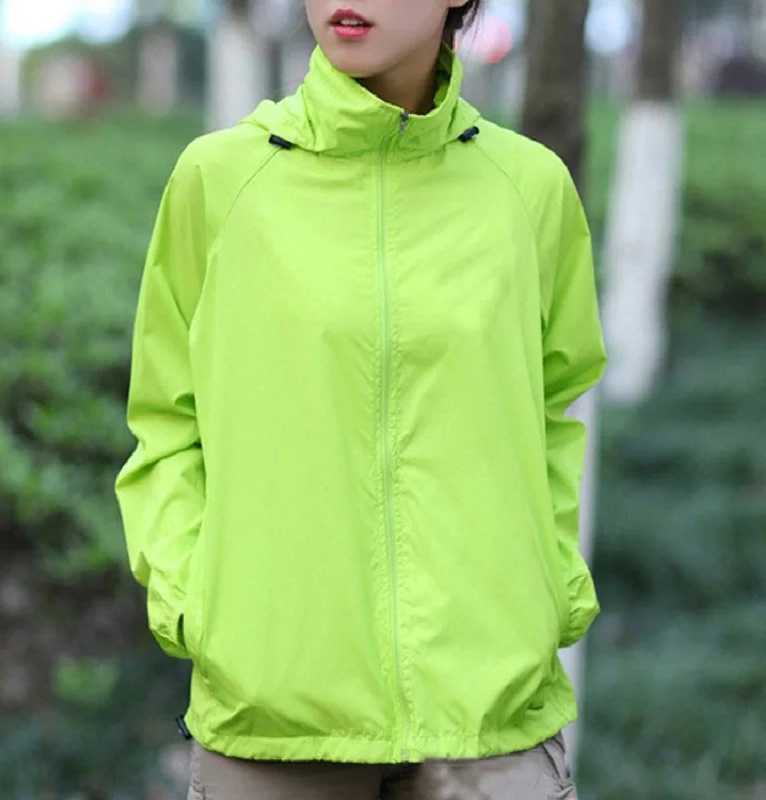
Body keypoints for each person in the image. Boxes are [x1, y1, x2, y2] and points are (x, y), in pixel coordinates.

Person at [115, 1, 607, 797]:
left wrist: (549, 593)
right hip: (275, 727)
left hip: (490, 729)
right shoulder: (221, 181)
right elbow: (167, 419)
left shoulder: (529, 189)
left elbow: (553, 412)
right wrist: (198, 608)